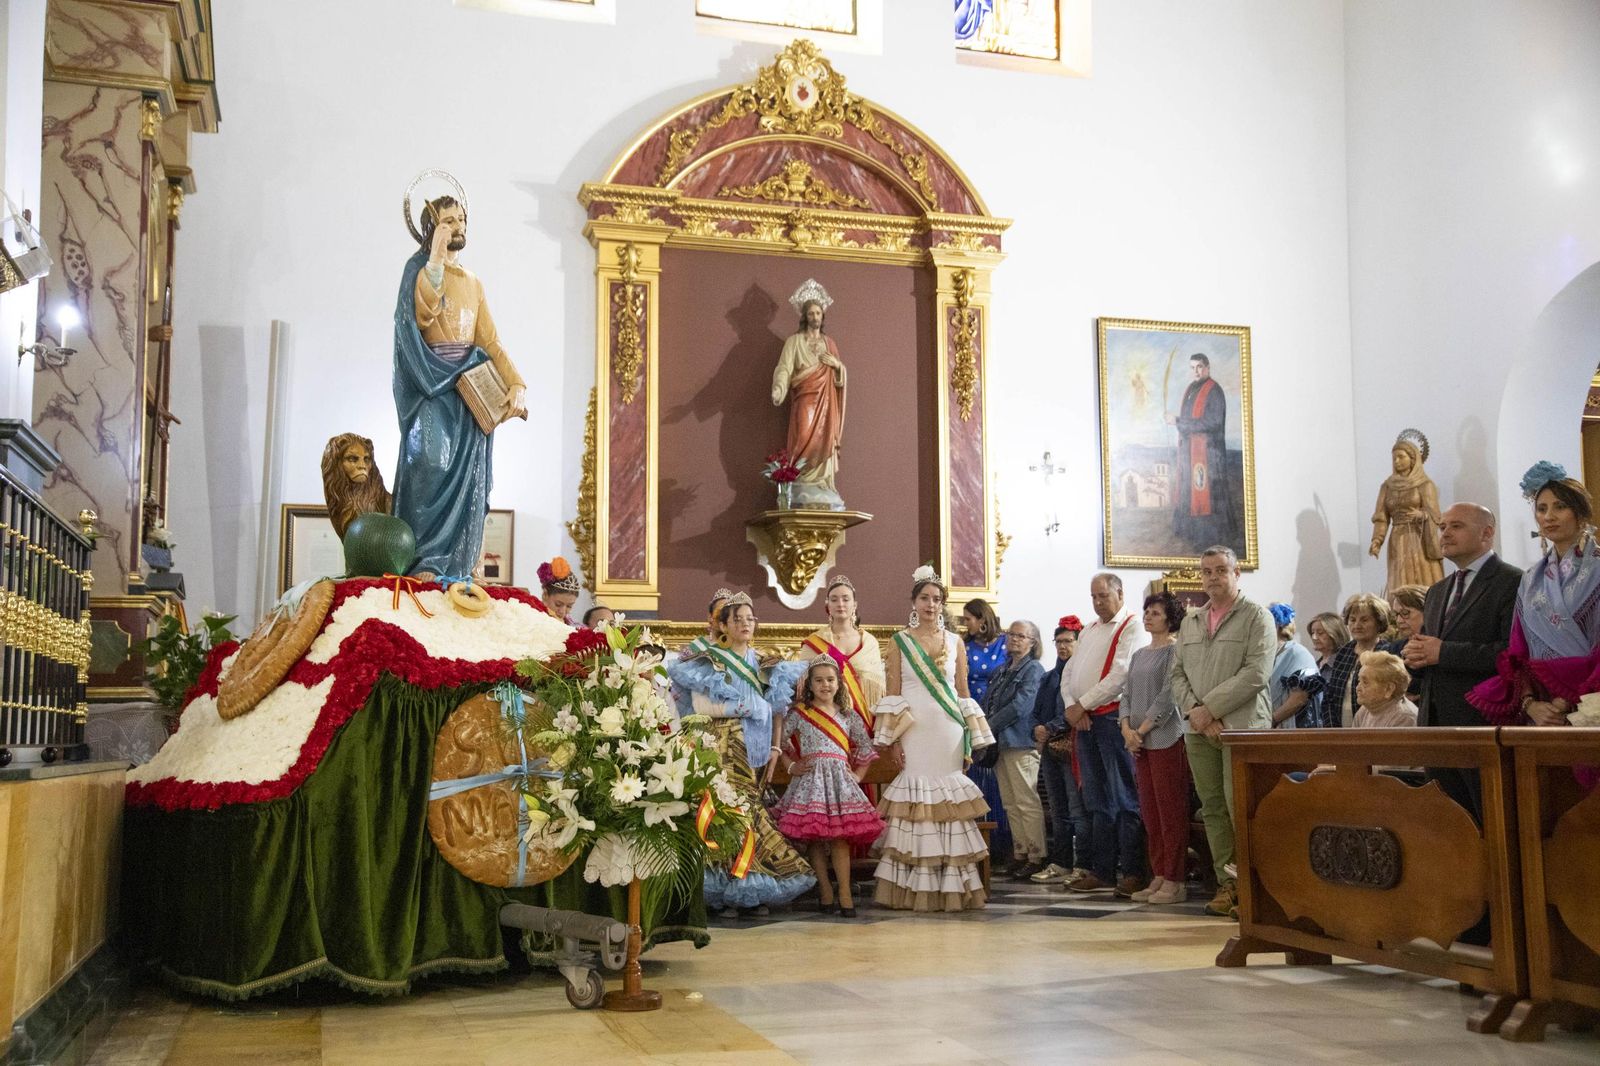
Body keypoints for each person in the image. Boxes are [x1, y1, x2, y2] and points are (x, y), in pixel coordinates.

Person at [392, 195, 528, 578]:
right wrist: (434, 258)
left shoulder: (473, 282)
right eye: (448, 221)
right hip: (430, 381)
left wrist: (516, 383)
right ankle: (423, 561)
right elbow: (421, 312)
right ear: (431, 229)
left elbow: (490, 341)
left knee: (471, 480)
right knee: (428, 462)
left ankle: (456, 566)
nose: (458, 226)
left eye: (462, 219)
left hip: (467, 388)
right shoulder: (418, 269)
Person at [667, 595, 814, 917]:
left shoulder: (765, 663)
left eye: (750, 618)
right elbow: (703, 706)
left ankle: (750, 887)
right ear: (722, 625)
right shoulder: (708, 660)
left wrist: (776, 748)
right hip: (720, 745)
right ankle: (726, 890)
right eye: (738, 619)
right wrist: (742, 708)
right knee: (728, 813)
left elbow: (777, 710)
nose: (746, 624)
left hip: (757, 749)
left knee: (751, 812)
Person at [873, 566, 994, 911]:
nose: (931, 604)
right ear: (913, 601)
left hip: (949, 731)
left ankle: (952, 887)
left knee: (948, 806)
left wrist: (970, 739)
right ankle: (914, 887)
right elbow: (893, 692)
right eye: (924, 598)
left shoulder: (956, 642)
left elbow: (963, 691)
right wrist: (894, 741)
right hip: (915, 730)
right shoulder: (899, 641)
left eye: (937, 599)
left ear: (943, 604)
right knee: (919, 803)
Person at [1170, 545, 1275, 919]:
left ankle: (1255, 888)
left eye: (1220, 570)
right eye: (1206, 571)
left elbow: (1256, 673)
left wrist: (1210, 710)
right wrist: (1197, 714)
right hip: (1199, 731)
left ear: (1236, 575)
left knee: (1241, 808)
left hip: (1242, 728)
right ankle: (1227, 884)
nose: (1212, 577)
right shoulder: (1191, 621)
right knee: (1212, 809)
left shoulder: (1256, 617)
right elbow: (1177, 674)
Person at [1401, 502, 1520, 819]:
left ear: (1487, 532)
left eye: (1457, 526)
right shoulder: (1438, 590)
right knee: (1449, 823)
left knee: (1490, 818)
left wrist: (1444, 652)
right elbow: (1430, 648)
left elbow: (1511, 653)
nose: (1445, 533)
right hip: (1435, 722)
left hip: (1481, 721)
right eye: (1442, 527)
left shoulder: (1512, 582)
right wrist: (1415, 658)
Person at [1469, 464, 1600, 736]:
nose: (1549, 516)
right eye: (1542, 509)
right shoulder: (1530, 579)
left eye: (1560, 506)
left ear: (1581, 513)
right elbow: (1518, 650)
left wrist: (1567, 699)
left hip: (1591, 701)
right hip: (1543, 708)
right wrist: (1531, 704)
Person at [772, 658, 884, 917]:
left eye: (830, 680)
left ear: (838, 683)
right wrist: (790, 767)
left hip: (839, 783)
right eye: (819, 680)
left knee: (839, 838)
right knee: (813, 837)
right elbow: (781, 741)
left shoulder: (847, 713)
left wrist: (857, 775)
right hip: (810, 781)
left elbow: (865, 746)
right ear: (809, 684)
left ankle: (844, 892)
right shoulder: (800, 712)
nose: (825, 685)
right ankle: (825, 890)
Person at [1062, 574, 1150, 897]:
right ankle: (1102, 870)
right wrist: (1074, 706)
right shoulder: (1088, 629)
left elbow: (1120, 675)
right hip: (1085, 722)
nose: (1098, 602)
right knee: (1097, 800)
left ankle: (1131, 871)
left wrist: (1083, 704)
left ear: (1119, 593)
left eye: (1103, 596)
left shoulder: (1131, 626)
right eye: (1093, 597)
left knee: (1125, 797)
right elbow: (1069, 672)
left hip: (1113, 719)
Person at [1123, 592, 1190, 905]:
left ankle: (1175, 879)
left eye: (1156, 613)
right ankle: (1159, 874)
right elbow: (1126, 693)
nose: (1148, 616)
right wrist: (1126, 729)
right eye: (1146, 611)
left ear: (1170, 619)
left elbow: (1169, 696)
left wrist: (1142, 729)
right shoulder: (1139, 655)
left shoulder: (1175, 652)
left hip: (1164, 737)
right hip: (1139, 742)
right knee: (1150, 813)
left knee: (1169, 812)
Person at [771, 280, 847, 510]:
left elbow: (840, 375)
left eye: (818, 312)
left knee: (824, 438)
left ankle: (822, 482)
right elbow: (784, 367)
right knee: (803, 434)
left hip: (826, 401)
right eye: (811, 313)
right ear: (804, 316)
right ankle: (801, 479)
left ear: (823, 316)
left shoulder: (829, 343)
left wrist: (836, 365)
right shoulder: (794, 342)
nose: (815, 316)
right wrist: (779, 388)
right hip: (804, 398)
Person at [982, 620, 1047, 879]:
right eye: (1011, 634)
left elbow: (1021, 706)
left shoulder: (1034, 670)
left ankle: (1036, 854)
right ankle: (1020, 852)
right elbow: (990, 700)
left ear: (1033, 642)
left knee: (1026, 800)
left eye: (1021, 636)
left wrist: (988, 725)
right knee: (1010, 802)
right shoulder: (1002, 670)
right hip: (1001, 743)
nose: (1014, 639)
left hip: (1020, 741)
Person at [1030, 617, 1090, 885]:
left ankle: (1084, 865)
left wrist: (1051, 728)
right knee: (1057, 809)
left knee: (1078, 809)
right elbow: (1036, 711)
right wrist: (1037, 729)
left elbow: (1074, 709)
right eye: (1059, 641)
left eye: (1068, 641)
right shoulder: (1047, 677)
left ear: (1078, 643)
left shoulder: (1081, 675)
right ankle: (1061, 863)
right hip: (1049, 748)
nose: (1063, 646)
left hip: (1071, 745)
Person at [798, 575, 884, 740]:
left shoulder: (869, 643)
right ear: (827, 605)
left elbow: (877, 689)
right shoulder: (814, 642)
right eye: (834, 599)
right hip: (824, 724)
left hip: (864, 722)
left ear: (854, 605)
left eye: (846, 599)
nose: (840, 604)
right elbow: (804, 687)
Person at [1167, 353, 1239, 547]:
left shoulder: (1214, 390)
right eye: (1192, 368)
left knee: (1209, 497)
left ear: (1207, 367)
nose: (1196, 371)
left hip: (1208, 454)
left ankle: (1207, 538)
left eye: (1199, 367)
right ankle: (1190, 534)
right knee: (1189, 492)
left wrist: (1178, 421)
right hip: (1190, 452)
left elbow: (1212, 422)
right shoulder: (1191, 389)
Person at [961, 597, 1011, 855]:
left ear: (982, 620)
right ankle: (978, 843)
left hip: (999, 716)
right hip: (971, 715)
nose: (965, 623)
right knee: (976, 776)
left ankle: (1003, 844)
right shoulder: (964, 646)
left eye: (968, 619)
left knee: (1000, 779)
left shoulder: (1005, 645)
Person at [1368, 433, 1444, 592]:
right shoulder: (1387, 486)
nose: (1397, 461)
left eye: (1401, 457)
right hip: (1397, 537)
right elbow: (1381, 517)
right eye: (1394, 458)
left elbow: (1435, 515)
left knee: (1422, 575)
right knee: (1399, 576)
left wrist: (1422, 515)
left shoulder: (1425, 484)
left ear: (1413, 458)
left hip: (1419, 537)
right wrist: (1377, 540)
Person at [1323, 594, 1392, 728]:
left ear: (1379, 622)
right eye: (1352, 620)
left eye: (1364, 620)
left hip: (1374, 729)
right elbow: (1329, 697)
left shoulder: (1387, 653)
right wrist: (1332, 732)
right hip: (1339, 732)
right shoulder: (1343, 652)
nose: (1357, 625)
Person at [1267, 604, 1324, 729]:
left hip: (1294, 731)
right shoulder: (1268, 654)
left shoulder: (1297, 653)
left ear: (1276, 625)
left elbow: (1299, 698)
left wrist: (1272, 720)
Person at [1382, 584, 1427, 697]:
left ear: (1426, 611)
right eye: (1396, 614)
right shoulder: (1395, 648)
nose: (1399, 620)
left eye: (1405, 613)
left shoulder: (1437, 647)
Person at [1353, 650, 1418, 728]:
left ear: (1389, 689)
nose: (1358, 688)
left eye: (1365, 682)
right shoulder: (1364, 711)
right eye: (1359, 681)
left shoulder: (1405, 718)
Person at [1307, 612, 1350, 686]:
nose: (1314, 637)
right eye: (1312, 633)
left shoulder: (1345, 664)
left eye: (1320, 633)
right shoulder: (1314, 666)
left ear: (1335, 634)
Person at [537, 557, 581, 624]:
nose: (562, 612)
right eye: (558, 604)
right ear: (545, 595)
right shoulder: (532, 619)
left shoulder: (573, 626)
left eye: (569, 606)